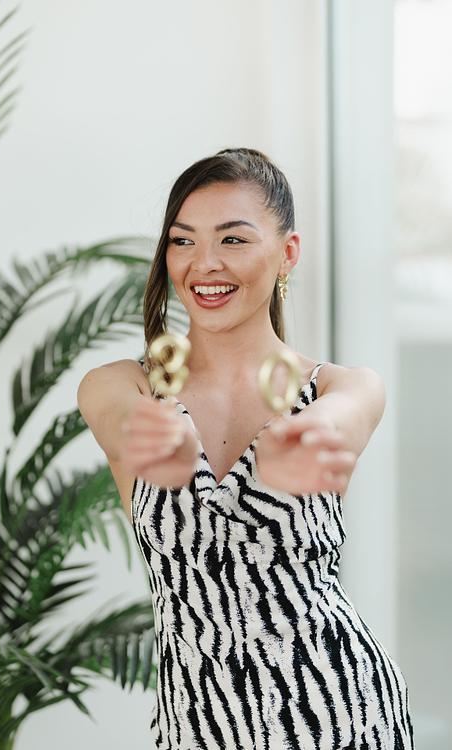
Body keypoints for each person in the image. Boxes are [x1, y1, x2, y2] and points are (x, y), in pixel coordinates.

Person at [77, 148, 414, 749]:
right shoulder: (124, 386)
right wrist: (154, 431)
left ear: (287, 253)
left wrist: (309, 434)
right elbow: (118, 416)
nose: (204, 263)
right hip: (200, 725)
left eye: (232, 240)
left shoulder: (340, 388)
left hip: (339, 713)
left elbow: (341, 419)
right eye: (183, 241)